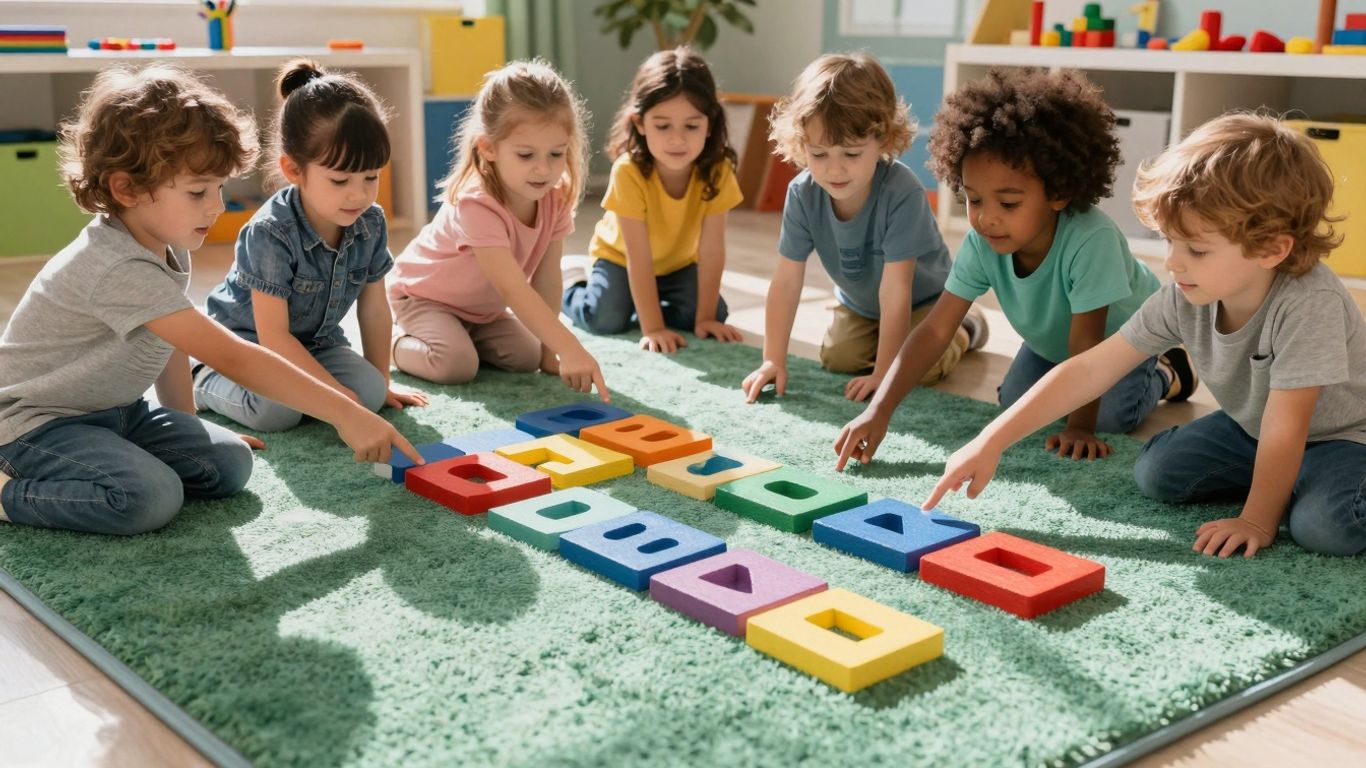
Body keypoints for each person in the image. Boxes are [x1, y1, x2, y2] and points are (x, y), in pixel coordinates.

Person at [0, 65, 420, 535]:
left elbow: (165, 345)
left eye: (219, 188)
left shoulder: (163, 242)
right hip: (35, 424)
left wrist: (186, 427)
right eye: (199, 191)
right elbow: (231, 356)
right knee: (148, 498)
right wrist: (345, 414)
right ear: (126, 188)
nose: (217, 206)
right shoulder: (116, 266)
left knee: (229, 462)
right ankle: (6, 494)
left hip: (117, 411)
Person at [922, 113, 1366, 559]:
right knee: (1158, 473)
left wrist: (1255, 519)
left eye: (1196, 249)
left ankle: (1299, 487)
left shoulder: (1310, 303)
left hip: (1343, 436)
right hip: (1253, 428)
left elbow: (1287, 426)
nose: (1173, 263)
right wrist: (989, 441)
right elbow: (1091, 368)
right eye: (1170, 242)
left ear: (1272, 248)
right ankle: (1290, 482)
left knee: (1324, 528)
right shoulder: (1186, 294)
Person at [835, 68, 1190, 471]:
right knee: (1012, 403)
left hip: (1115, 346)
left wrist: (1079, 428)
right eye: (973, 200)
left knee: (1108, 420)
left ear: (1058, 192)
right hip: (1051, 344)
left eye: (1007, 203)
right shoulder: (982, 243)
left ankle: (1165, 372)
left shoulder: (1092, 239)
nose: (986, 219)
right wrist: (879, 409)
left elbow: (1088, 348)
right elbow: (935, 329)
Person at [196, 59, 428, 431]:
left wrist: (381, 382)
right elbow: (272, 337)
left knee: (368, 395)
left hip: (317, 344)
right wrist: (336, 399)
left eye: (371, 177)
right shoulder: (271, 232)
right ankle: (205, 380)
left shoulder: (371, 222)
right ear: (293, 170)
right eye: (339, 180)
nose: (359, 194)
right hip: (248, 346)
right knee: (277, 413)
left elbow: (374, 311)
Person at [741, 53, 982, 404]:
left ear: (882, 139)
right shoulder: (803, 193)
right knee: (839, 360)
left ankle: (966, 326)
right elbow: (787, 279)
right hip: (861, 304)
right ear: (801, 142)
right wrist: (772, 359)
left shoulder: (903, 191)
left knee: (920, 371)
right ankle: (881, 341)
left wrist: (885, 373)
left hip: (925, 300)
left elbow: (896, 290)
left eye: (851, 154)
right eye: (819, 154)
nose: (834, 171)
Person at [388, 59, 608, 400]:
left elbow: (547, 280)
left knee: (528, 356)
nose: (543, 168)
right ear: (488, 148)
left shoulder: (556, 195)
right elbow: (512, 289)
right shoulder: (477, 203)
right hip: (423, 297)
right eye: (525, 155)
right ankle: (395, 344)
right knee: (456, 366)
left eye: (556, 153)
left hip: (481, 311)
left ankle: (464, 337)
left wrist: (553, 352)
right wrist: (571, 346)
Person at [562, 47, 744, 355]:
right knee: (606, 319)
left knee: (713, 313)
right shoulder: (629, 172)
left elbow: (712, 249)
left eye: (691, 125)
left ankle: (642, 300)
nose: (678, 139)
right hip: (620, 259)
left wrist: (704, 319)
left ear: (710, 124)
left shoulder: (718, 170)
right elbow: (638, 256)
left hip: (678, 265)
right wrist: (653, 327)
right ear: (640, 123)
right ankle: (572, 284)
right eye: (663, 126)